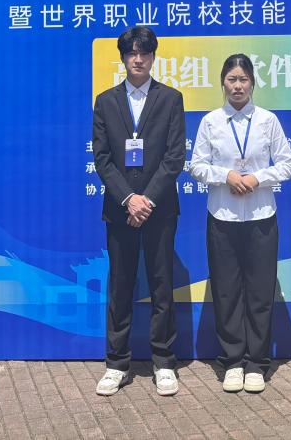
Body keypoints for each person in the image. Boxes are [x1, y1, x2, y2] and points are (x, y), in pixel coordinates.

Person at [91, 26, 186, 397]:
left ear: (153, 57)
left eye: (144, 53)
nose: (138, 59)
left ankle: (164, 362)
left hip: (159, 209)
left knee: (162, 286)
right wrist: (128, 198)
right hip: (120, 210)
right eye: (131, 53)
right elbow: (102, 158)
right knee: (121, 286)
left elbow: (174, 156)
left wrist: (146, 200)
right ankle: (116, 363)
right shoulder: (106, 101)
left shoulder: (171, 98)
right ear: (122, 57)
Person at [189, 54, 291, 394]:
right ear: (223, 82)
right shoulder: (211, 122)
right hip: (223, 216)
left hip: (262, 216)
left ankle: (257, 363)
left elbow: (288, 164)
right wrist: (227, 176)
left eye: (243, 79)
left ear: (252, 83)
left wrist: (257, 178)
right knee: (226, 290)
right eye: (232, 79)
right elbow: (196, 166)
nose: (237, 86)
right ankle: (233, 361)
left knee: (261, 291)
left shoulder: (267, 120)